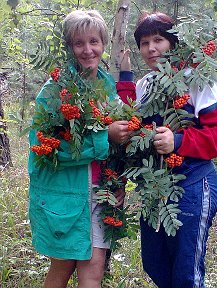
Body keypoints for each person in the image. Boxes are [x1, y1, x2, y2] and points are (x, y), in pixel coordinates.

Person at [119, 12, 217, 288]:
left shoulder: (195, 79)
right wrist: (125, 77)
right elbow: (131, 120)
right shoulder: (146, 85)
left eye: (159, 39)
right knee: (155, 265)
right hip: (156, 190)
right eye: (144, 42)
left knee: (185, 275)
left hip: (192, 184)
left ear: (173, 42)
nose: (151, 48)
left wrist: (178, 141)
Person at [28, 10, 132, 288]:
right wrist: (103, 136)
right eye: (79, 43)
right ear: (69, 47)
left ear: (103, 43)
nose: (88, 50)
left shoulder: (106, 86)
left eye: (94, 41)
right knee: (62, 267)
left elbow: (120, 140)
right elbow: (43, 147)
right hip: (66, 196)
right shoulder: (55, 91)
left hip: (100, 192)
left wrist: (117, 182)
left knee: (94, 268)